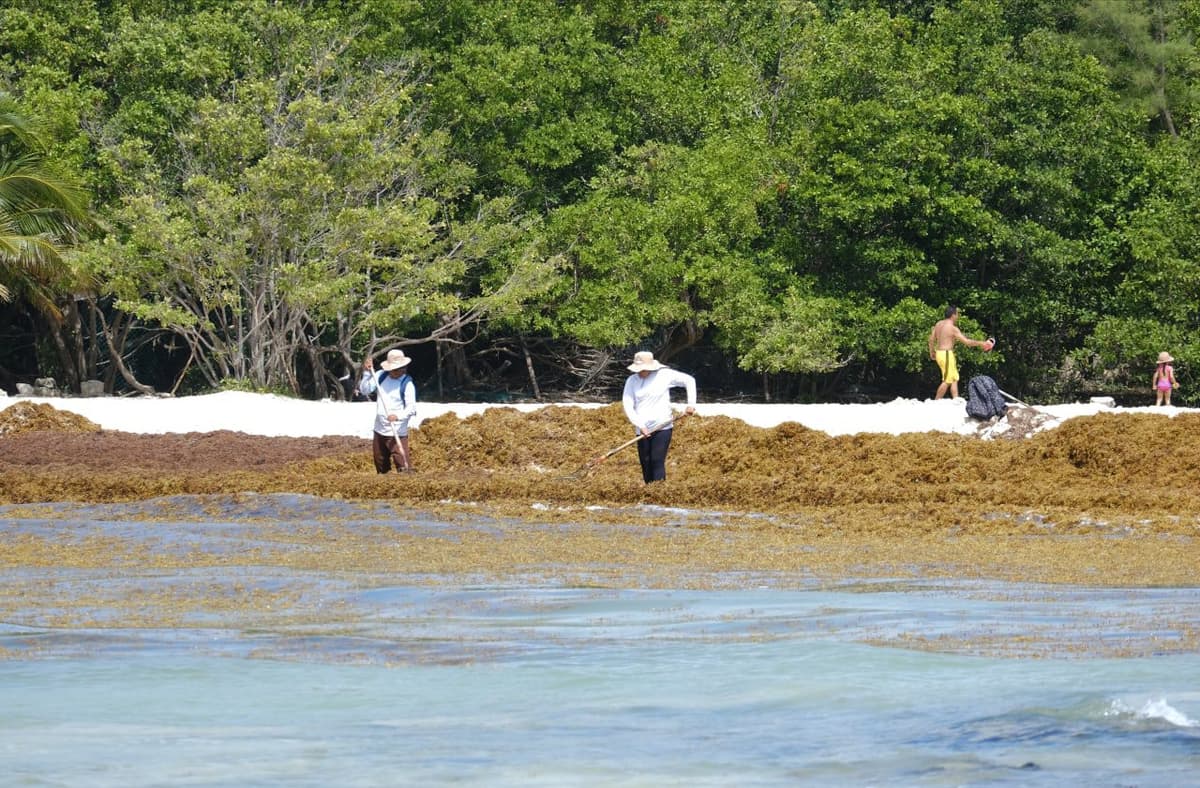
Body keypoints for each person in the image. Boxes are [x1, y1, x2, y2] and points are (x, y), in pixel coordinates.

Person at [621, 351, 697, 483]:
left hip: (662, 426)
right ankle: (649, 492)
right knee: (645, 462)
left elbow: (689, 381)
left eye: (643, 369)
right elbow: (627, 404)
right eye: (638, 369)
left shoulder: (664, 375)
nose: (640, 372)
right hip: (642, 429)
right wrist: (640, 425)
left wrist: (691, 405)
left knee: (656, 460)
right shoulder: (632, 381)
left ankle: (659, 492)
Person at [358, 349, 417, 473]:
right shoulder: (381, 375)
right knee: (381, 465)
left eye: (401, 369)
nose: (399, 372)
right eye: (395, 369)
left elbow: (411, 408)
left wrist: (397, 416)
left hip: (397, 431)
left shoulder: (407, 384)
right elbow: (364, 390)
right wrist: (367, 373)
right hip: (379, 429)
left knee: (403, 465)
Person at [928, 306, 993, 400]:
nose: (958, 316)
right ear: (953, 315)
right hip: (946, 354)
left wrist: (932, 351)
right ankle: (936, 401)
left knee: (954, 377)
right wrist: (982, 343)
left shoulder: (938, 324)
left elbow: (931, 339)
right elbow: (967, 342)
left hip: (940, 353)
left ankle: (956, 400)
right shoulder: (952, 328)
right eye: (957, 314)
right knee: (947, 380)